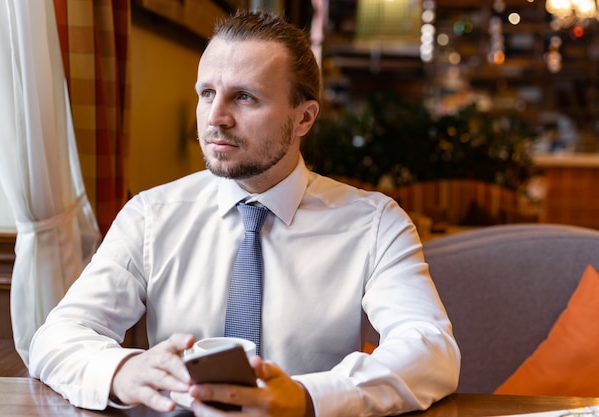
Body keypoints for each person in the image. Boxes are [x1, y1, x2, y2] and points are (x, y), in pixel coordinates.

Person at [28, 9, 461, 417]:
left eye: (245, 97)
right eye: (207, 93)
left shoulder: (376, 223)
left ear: (304, 117)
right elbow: (56, 337)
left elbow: (430, 350)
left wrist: (309, 398)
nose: (215, 118)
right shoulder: (149, 215)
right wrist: (121, 371)